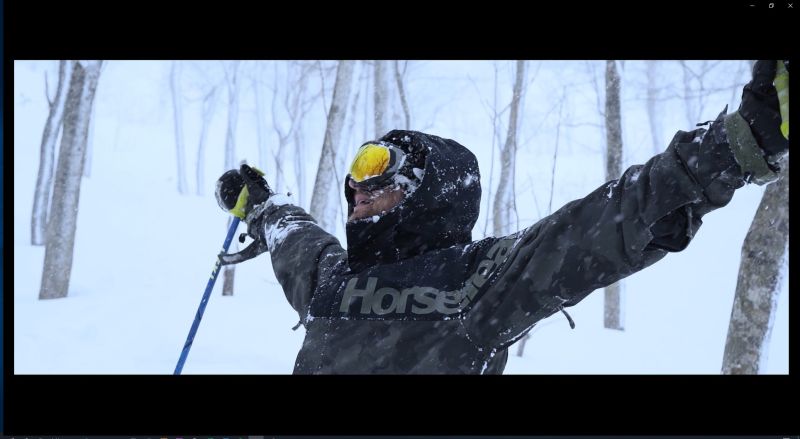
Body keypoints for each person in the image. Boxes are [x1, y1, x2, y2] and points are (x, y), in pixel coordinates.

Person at [214, 60, 788, 374]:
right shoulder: (330, 280)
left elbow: (598, 225)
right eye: (356, 174)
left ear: (426, 194)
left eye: (379, 174)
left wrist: (737, 144)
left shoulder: (476, 278)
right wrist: (260, 206)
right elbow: (297, 238)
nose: (358, 187)